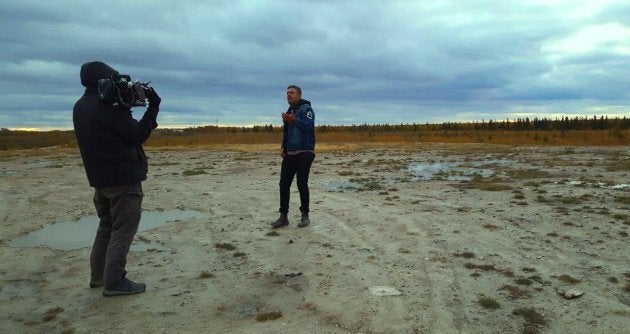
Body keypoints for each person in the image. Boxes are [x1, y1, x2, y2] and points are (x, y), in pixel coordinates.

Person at [73, 61, 161, 296]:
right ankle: (114, 282)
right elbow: (137, 134)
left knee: (107, 226)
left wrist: (125, 105)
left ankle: (98, 276)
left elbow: (111, 134)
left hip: (100, 180)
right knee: (123, 229)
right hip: (123, 179)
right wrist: (154, 107)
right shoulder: (108, 108)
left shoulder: (80, 106)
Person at [272, 85, 316, 228]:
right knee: (283, 184)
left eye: (292, 93)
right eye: (287, 93)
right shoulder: (289, 111)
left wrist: (293, 120)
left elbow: (308, 126)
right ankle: (283, 216)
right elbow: (286, 133)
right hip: (290, 152)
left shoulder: (306, 109)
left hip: (305, 151)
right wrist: (283, 148)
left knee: (301, 183)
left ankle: (305, 215)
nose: (289, 95)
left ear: (299, 95)